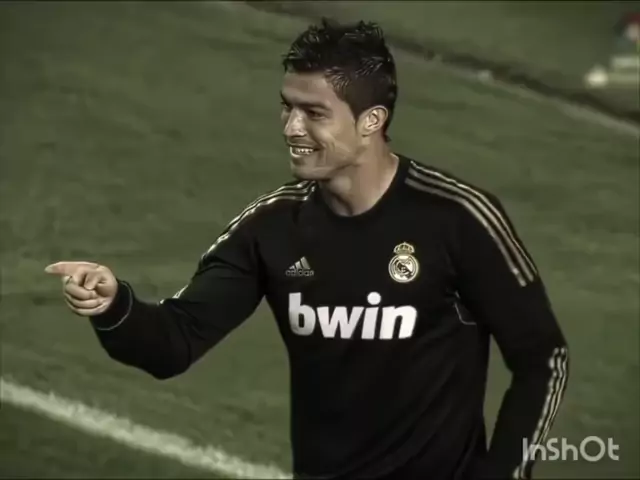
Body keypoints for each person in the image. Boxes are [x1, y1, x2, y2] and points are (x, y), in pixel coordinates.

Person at [45, 18, 569, 480]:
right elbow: (173, 344)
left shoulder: (458, 218)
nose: (291, 128)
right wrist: (114, 306)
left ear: (371, 121)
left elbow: (543, 358)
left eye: (314, 113)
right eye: (287, 107)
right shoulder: (272, 229)